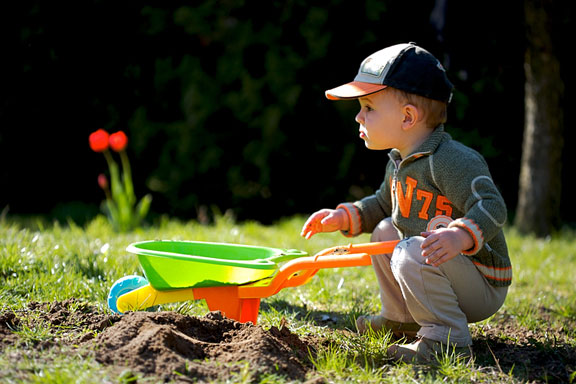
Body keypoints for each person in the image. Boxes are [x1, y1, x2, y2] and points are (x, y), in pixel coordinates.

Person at [300, 42, 512, 364]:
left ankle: (447, 340)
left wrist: (460, 235)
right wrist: (344, 217)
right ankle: (402, 319)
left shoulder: (450, 161)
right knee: (387, 230)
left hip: (480, 282)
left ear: (408, 117)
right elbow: (384, 205)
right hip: (440, 271)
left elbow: (493, 205)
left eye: (368, 107)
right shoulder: (400, 162)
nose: (359, 116)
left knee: (410, 250)